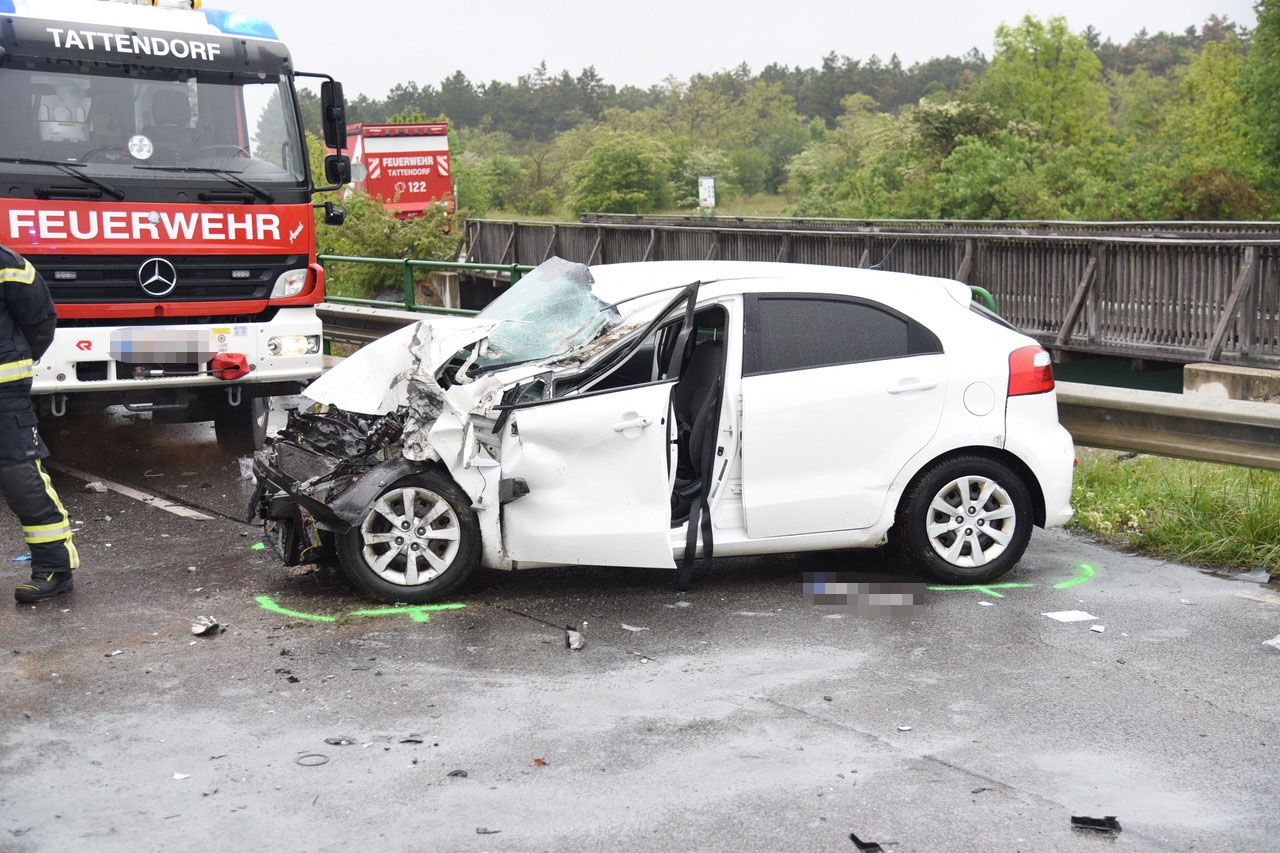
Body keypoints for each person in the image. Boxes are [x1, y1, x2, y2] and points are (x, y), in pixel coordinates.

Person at [1, 244, 78, 602]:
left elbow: (40, 321)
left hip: (3, 397)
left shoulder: (7, 264)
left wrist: (15, 364)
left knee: (22, 481)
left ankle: (53, 568)